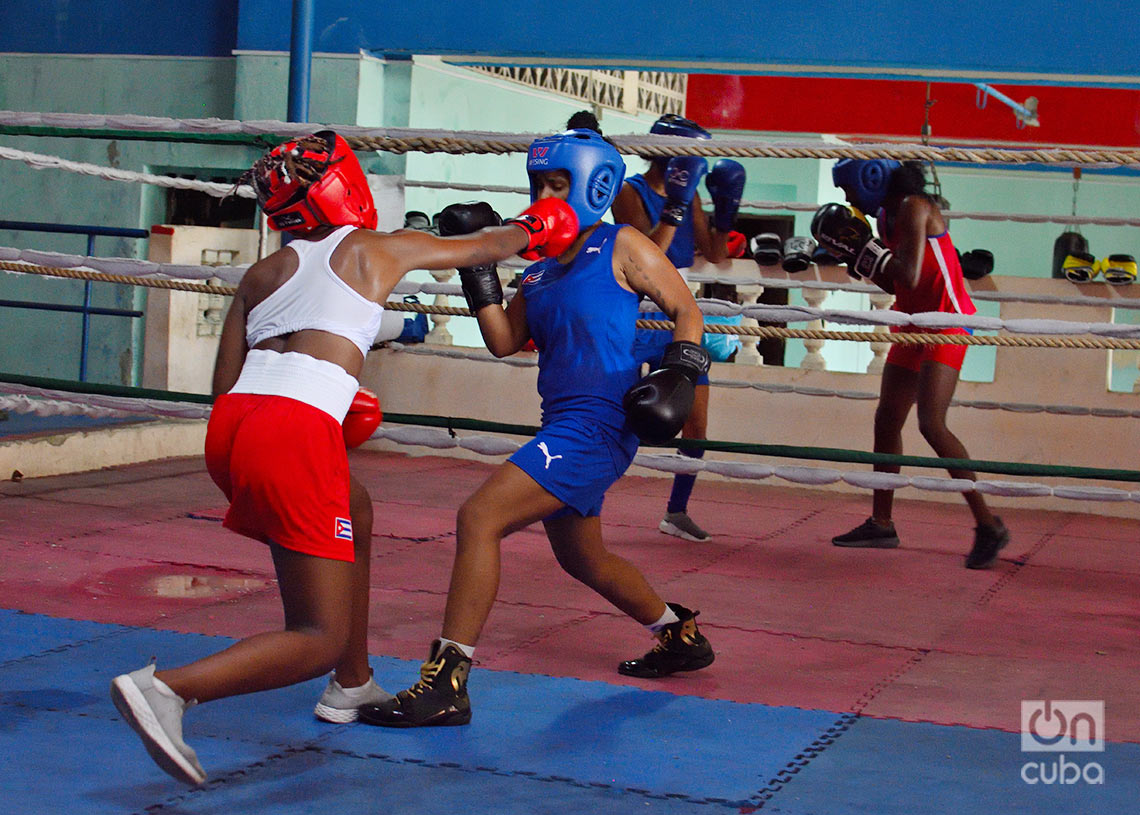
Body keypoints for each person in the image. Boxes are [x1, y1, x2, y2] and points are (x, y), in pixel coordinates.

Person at [109, 130, 572, 785]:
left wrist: (318, 400)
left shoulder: (263, 272)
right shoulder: (372, 248)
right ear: (343, 186)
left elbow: (226, 388)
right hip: (290, 432)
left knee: (354, 505)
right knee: (315, 632)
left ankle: (351, 682)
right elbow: (486, 247)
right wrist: (546, 220)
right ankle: (169, 690)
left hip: (235, 430)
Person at [358, 127, 715, 729]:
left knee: (479, 518)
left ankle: (447, 683)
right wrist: (478, 261)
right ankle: (677, 634)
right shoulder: (540, 270)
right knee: (585, 559)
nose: (545, 193)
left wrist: (680, 374)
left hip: (601, 426)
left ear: (593, 187)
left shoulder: (621, 244)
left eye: (558, 182)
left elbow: (686, 309)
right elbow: (503, 341)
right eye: (539, 183)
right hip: (563, 422)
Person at [812, 159, 1011, 569]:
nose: (848, 200)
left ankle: (988, 524)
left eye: (849, 190)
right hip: (912, 321)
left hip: (946, 322)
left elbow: (913, 275)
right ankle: (881, 522)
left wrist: (865, 249)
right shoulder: (886, 216)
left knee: (931, 424)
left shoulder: (916, 207)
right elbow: (897, 283)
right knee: (887, 420)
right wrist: (859, 257)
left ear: (869, 180)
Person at [609, 113, 747, 543]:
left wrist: (726, 207)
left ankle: (677, 510)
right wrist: (675, 204)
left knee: (695, 421)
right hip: (634, 313)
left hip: (680, 315)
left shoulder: (695, 198)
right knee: (614, 416)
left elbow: (717, 253)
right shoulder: (629, 192)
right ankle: (583, 495)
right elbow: (647, 252)